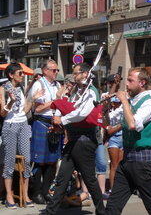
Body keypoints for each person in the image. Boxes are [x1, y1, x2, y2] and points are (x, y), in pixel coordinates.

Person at [44, 62, 105, 215]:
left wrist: (62, 121)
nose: (74, 76)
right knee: (62, 178)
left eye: (76, 73)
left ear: (85, 74)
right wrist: (57, 119)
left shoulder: (91, 92)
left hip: (84, 140)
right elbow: (65, 107)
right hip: (73, 140)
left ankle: (102, 211)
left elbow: (83, 113)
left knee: (90, 179)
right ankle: (50, 211)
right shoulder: (77, 91)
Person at [105, 67, 151, 215]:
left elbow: (133, 124)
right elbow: (109, 123)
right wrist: (106, 107)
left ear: (142, 82)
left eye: (131, 80)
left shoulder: (149, 102)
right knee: (113, 204)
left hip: (142, 161)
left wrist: (124, 101)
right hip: (127, 160)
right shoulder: (131, 101)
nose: (127, 84)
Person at [0, 63, 44, 209]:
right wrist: (11, 101)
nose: (22, 75)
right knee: (9, 161)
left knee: (26, 160)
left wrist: (33, 99)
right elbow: (2, 113)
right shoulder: (3, 88)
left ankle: (25, 195)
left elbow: (24, 111)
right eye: (19, 73)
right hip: (10, 126)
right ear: (11, 75)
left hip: (23, 124)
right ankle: (8, 196)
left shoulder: (20, 88)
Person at [30, 59, 63, 204]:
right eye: (54, 70)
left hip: (54, 124)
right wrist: (56, 100)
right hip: (42, 123)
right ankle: (36, 192)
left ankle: (45, 191)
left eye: (57, 70)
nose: (56, 72)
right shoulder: (39, 84)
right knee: (40, 161)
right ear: (45, 71)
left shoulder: (57, 85)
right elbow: (37, 109)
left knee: (51, 160)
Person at [105, 96, 124, 191]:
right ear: (113, 103)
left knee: (120, 166)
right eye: (118, 103)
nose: (120, 104)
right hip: (114, 140)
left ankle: (119, 187)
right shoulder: (109, 114)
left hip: (123, 139)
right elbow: (109, 131)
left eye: (120, 102)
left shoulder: (122, 112)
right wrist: (120, 125)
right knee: (114, 165)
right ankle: (112, 189)